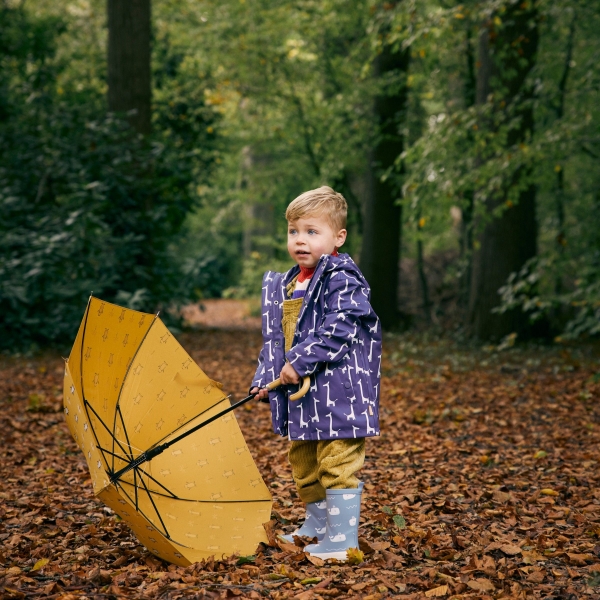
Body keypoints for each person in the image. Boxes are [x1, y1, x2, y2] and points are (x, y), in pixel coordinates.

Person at [249, 186, 381, 561]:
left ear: (337, 237)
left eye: (312, 231)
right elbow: (276, 339)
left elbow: (340, 326)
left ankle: (342, 540)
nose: (300, 240)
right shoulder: (291, 283)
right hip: (305, 396)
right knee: (304, 458)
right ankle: (317, 523)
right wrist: (264, 379)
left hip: (340, 390)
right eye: (294, 231)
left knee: (337, 461)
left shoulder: (342, 278)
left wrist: (301, 362)